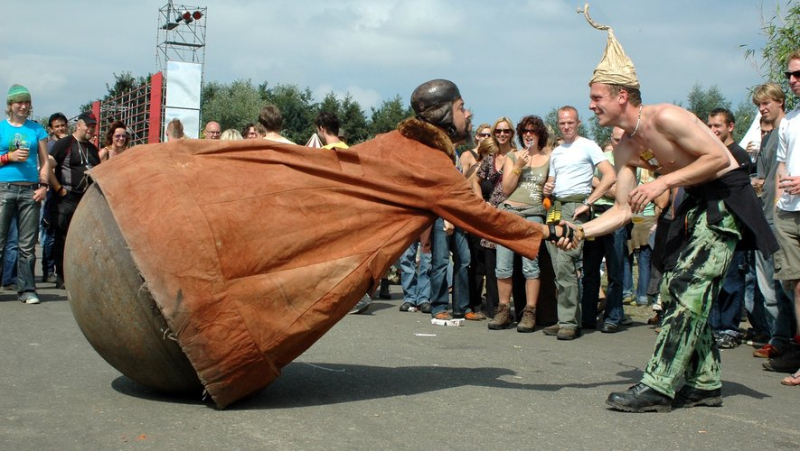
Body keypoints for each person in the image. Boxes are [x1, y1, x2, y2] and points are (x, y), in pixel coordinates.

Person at [79, 78, 568, 407]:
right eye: (463, 107)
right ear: (443, 114)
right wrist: (548, 230)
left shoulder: (394, 141)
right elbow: (482, 216)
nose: (470, 114)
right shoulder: (433, 167)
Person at [564, 11, 777, 411]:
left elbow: (719, 158)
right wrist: (582, 232)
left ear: (621, 96)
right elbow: (625, 210)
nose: (590, 105)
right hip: (695, 205)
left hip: (725, 203)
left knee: (685, 289)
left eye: (596, 97)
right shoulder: (625, 146)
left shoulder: (666, 117)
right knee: (675, 288)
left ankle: (659, 386)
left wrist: (663, 181)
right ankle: (706, 382)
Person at [542, 105, 616, 340]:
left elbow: (610, 175)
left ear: (578, 123)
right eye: (562, 123)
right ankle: (568, 317)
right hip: (556, 207)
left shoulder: (588, 145)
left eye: (570, 123)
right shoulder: (556, 151)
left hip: (576, 208)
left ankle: (568, 322)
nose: (566, 127)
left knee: (566, 262)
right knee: (557, 265)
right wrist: (547, 187)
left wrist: (590, 201)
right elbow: (552, 181)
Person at [488, 115, 551, 332]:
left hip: (534, 214)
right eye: (524, 131)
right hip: (510, 212)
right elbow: (505, 189)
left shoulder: (549, 157)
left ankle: (529, 312)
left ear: (539, 134)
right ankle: (503, 310)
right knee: (503, 266)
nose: (528, 134)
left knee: (530, 267)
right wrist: (519, 166)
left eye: (532, 131)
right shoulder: (514, 156)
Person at [748, 83, 796, 364]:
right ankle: (778, 338)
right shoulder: (769, 137)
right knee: (771, 284)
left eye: (766, 103)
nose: (762, 109)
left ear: (780, 102)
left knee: (784, 283)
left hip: (779, 214)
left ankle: (785, 339)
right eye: (758, 105)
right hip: (765, 214)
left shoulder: (787, 130)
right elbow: (766, 176)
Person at [0, 84, 50, 304]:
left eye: (26, 102)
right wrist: (8, 157)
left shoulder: (37, 129)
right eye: (18, 102)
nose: (23, 106)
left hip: (30, 190)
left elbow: (45, 161)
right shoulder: (1, 128)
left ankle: (27, 290)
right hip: (4, 189)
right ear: (10, 105)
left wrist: (44, 186)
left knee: (27, 245)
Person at [706, 108, 750, 349]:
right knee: (714, 279)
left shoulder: (739, 155)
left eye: (718, 126)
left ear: (730, 127)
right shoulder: (713, 153)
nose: (713, 130)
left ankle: (730, 328)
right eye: (710, 125)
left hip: (733, 226)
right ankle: (713, 327)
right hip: (714, 225)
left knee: (732, 280)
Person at [581, 126, 627, 333]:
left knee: (615, 272)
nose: (620, 143)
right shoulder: (602, 157)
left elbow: (626, 195)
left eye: (623, 139)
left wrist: (602, 184)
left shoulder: (632, 159)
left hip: (617, 221)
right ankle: (588, 317)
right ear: (611, 139)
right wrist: (608, 185)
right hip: (595, 219)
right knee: (590, 271)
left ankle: (613, 317)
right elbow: (589, 183)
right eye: (616, 139)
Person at [48, 112, 102, 289]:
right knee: (63, 237)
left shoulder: (93, 150)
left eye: (93, 126)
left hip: (86, 200)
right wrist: (59, 189)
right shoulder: (64, 144)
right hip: (67, 198)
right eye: (88, 125)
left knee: (84, 238)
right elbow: (47, 167)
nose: (91, 129)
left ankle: (79, 274)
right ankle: (61, 276)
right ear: (78, 125)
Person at [772, 49, 800, 386]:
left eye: (799, 74)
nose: (793, 81)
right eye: (790, 75)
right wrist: (779, 201)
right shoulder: (789, 120)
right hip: (789, 213)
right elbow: (782, 163)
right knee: (795, 287)